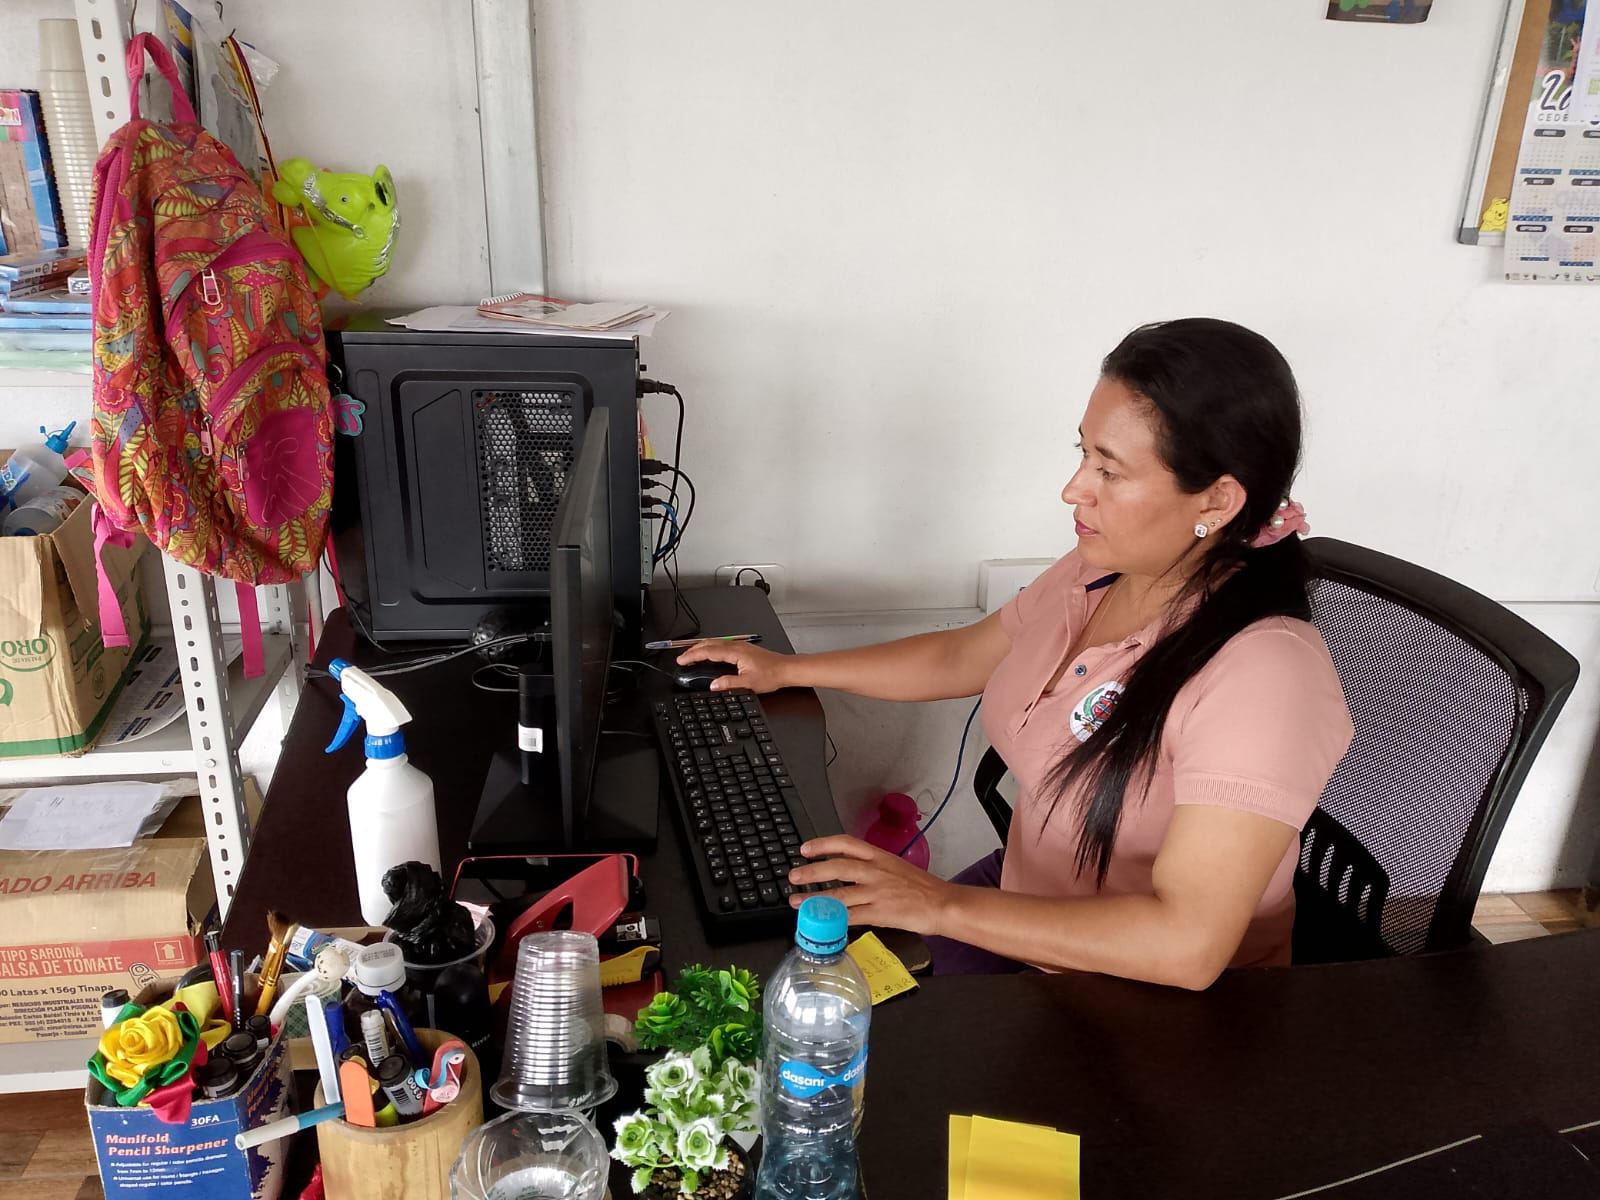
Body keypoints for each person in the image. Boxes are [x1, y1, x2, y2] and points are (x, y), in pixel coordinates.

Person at [679, 318, 1354, 990]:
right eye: (1083, 454)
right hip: (1023, 912)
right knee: (793, 983)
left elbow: (1187, 945)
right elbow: (962, 656)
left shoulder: (1266, 676)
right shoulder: (1103, 570)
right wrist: (787, 670)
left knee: (849, 1028)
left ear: (1218, 499)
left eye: (1109, 470)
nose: (1074, 488)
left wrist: (938, 904)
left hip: (1147, 1000)